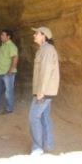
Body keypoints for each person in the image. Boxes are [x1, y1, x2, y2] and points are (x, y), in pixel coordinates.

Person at [29, 26, 60, 156]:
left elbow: (46, 71)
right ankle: (48, 144)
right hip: (45, 90)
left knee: (33, 117)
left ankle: (37, 147)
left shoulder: (47, 50)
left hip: (44, 91)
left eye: (36, 33)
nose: (34, 35)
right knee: (44, 117)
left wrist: (41, 91)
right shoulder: (43, 49)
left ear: (43, 35)